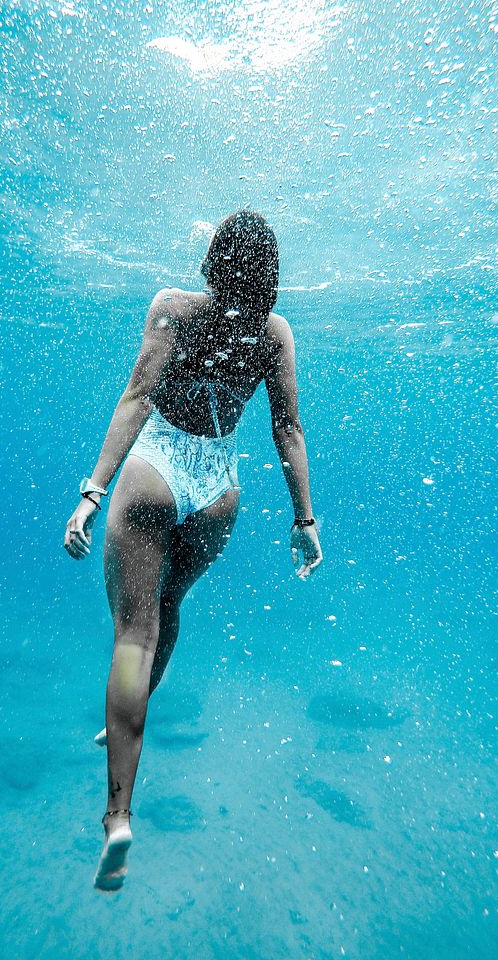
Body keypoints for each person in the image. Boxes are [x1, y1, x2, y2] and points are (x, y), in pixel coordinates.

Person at [63, 210, 322, 892]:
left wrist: (92, 492)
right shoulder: (274, 334)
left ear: (211, 258)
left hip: (154, 471)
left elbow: (137, 399)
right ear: (270, 274)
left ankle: (117, 813)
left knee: (131, 635)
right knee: (170, 605)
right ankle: (136, 709)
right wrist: (305, 519)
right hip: (218, 489)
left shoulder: (173, 309)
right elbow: (288, 428)